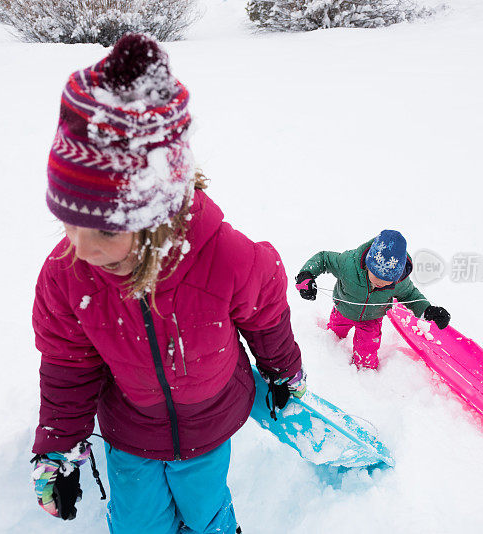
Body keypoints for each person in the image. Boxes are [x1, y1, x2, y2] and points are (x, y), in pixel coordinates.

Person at [28, 34, 305, 534]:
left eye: (106, 231)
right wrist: (58, 449)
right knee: (137, 519)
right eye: (68, 223)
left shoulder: (226, 257)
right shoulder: (67, 275)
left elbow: (266, 315)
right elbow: (68, 367)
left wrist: (283, 371)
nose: (82, 248)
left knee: (205, 504)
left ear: (159, 218)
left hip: (211, 420)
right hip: (130, 430)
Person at [295, 229, 450, 370]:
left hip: (372, 320)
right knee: (333, 337)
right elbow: (324, 259)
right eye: (376, 276)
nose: (380, 282)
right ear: (368, 264)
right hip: (343, 309)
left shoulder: (400, 281)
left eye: (387, 280)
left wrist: (428, 309)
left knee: (366, 358)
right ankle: (331, 358)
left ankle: (364, 375)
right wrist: (307, 274)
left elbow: (411, 296)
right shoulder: (348, 263)